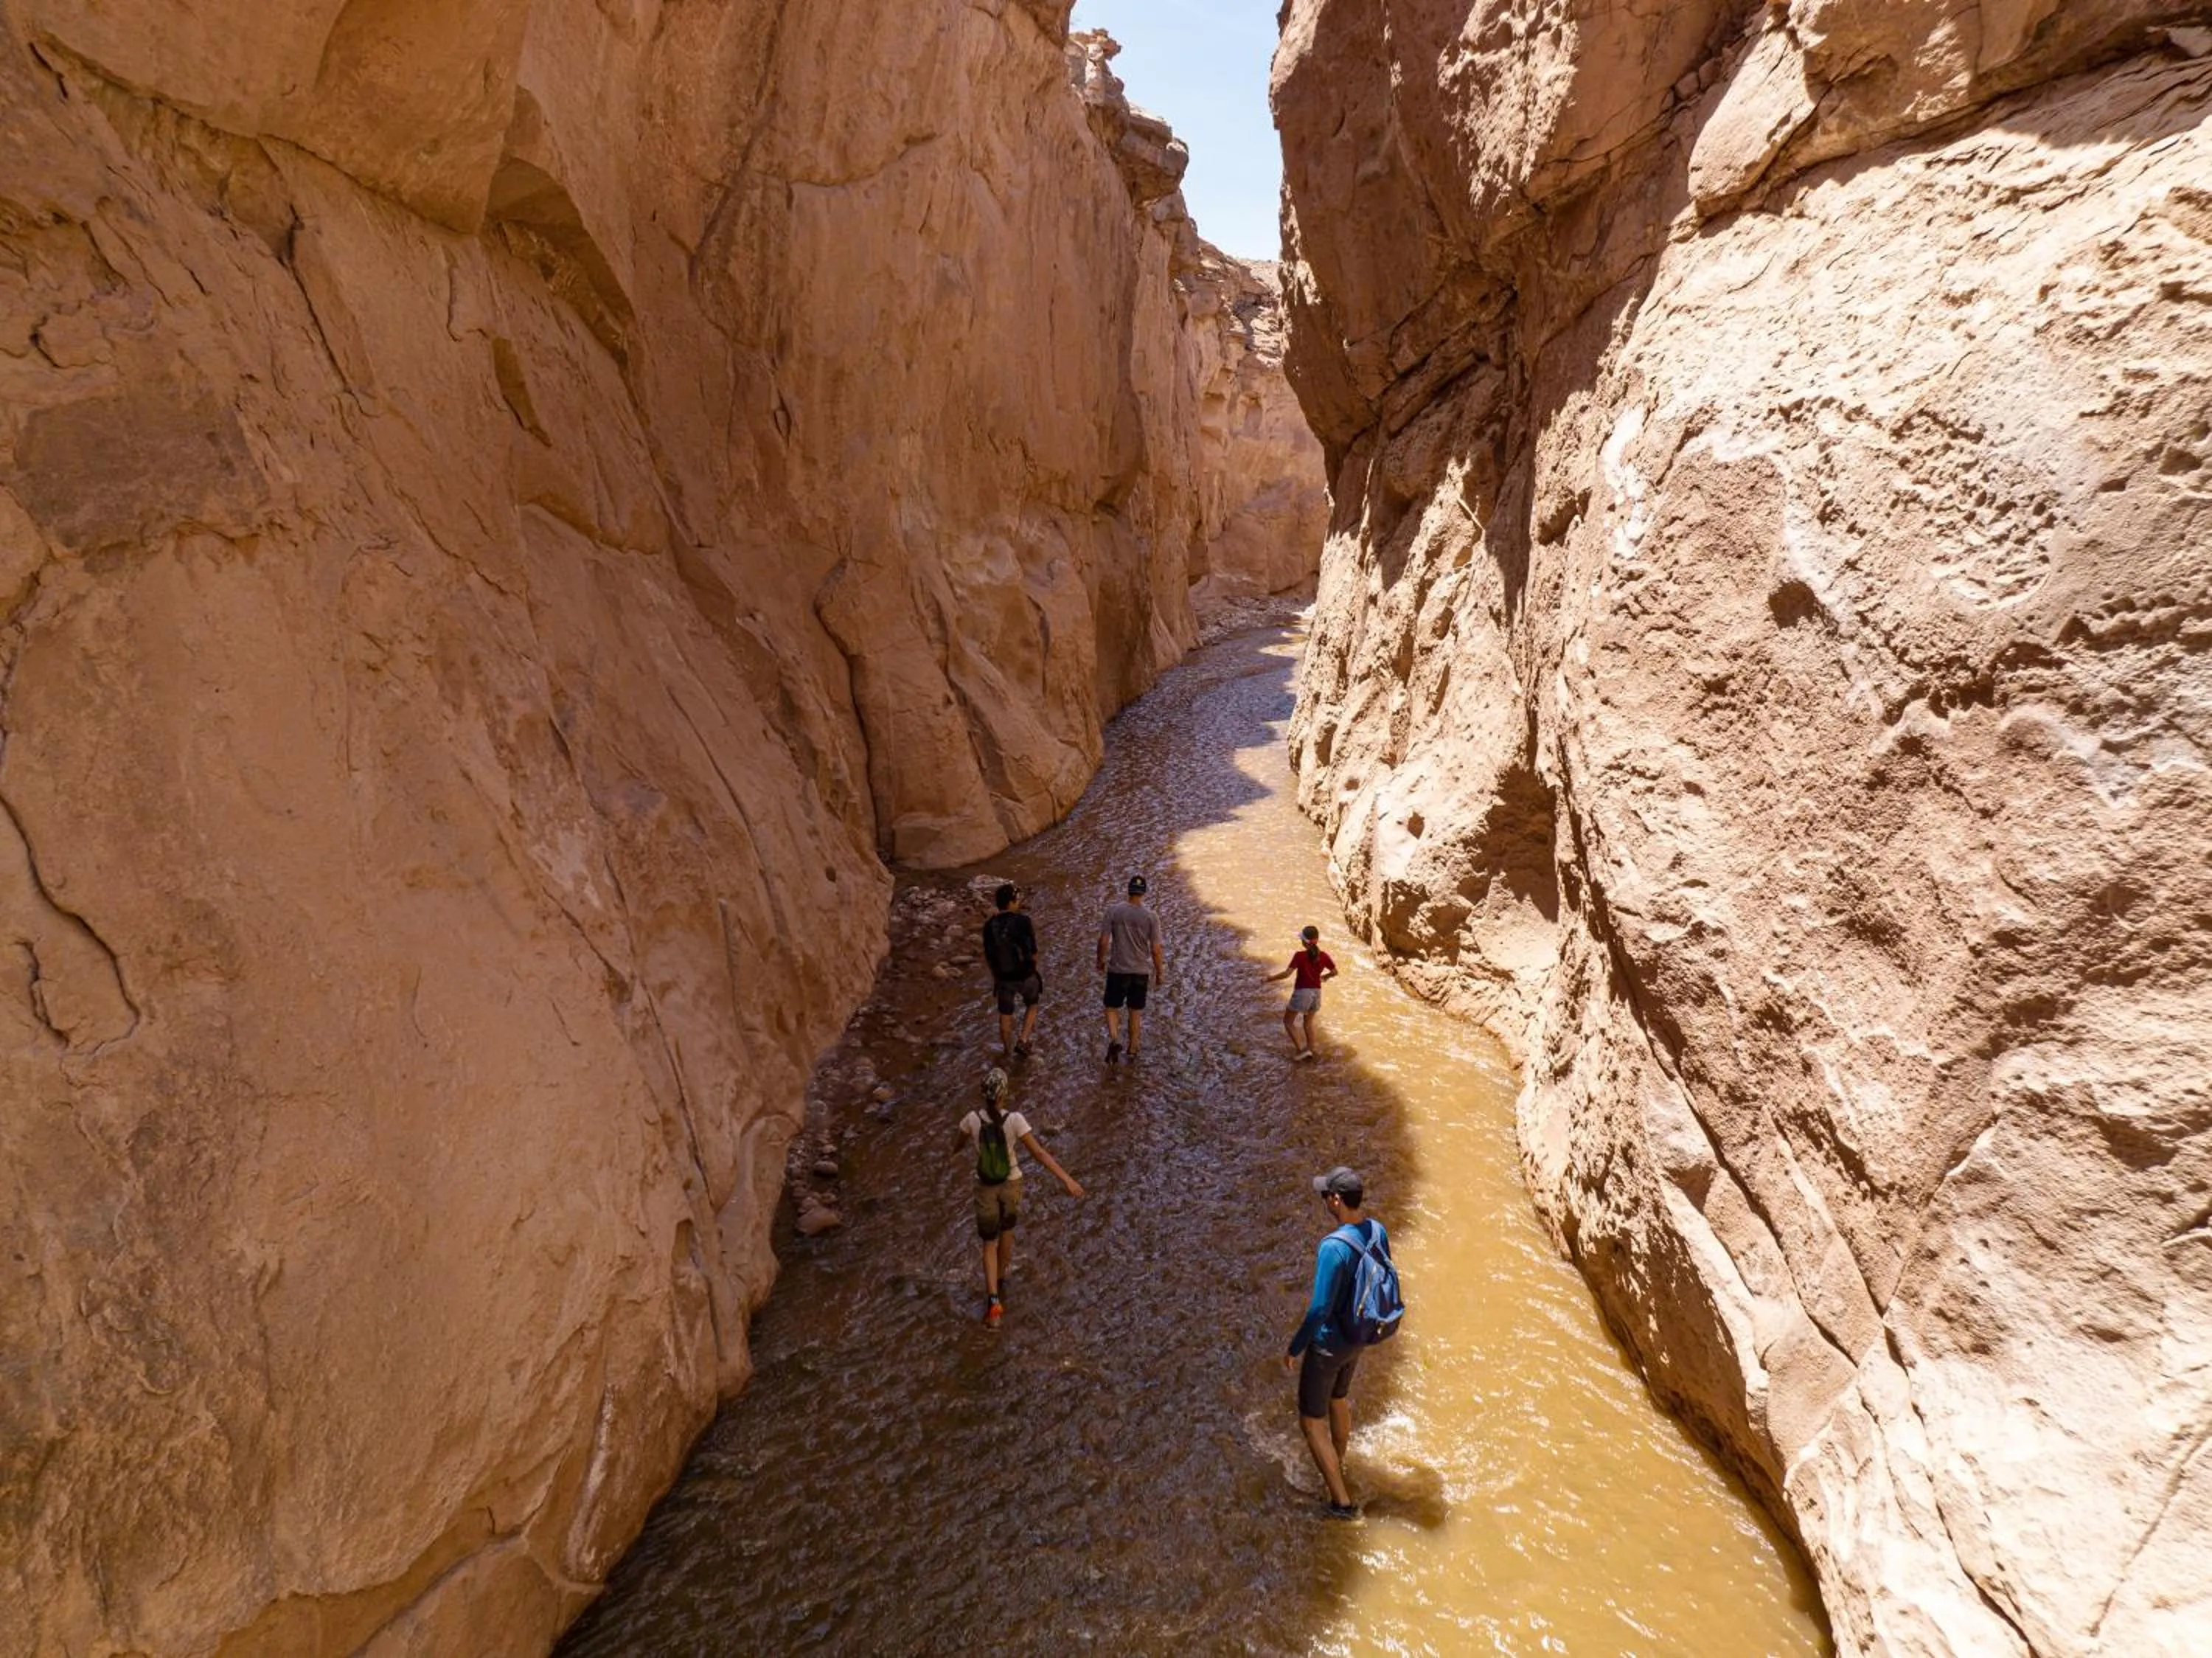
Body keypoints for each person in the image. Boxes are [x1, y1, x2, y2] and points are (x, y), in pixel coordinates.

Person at [1284, 1166, 1390, 1519]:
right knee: (1338, 1398)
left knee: (1311, 1422)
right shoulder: (1377, 1230)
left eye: (1325, 1196)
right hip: (1359, 1337)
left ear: (1336, 1200)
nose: (1324, 1201)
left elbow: (1319, 1309)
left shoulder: (1332, 1247)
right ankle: (1338, 1462)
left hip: (1329, 1344)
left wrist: (1295, 1348)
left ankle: (1340, 1502)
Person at [957, 1067, 1082, 1327]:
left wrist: (957, 1149)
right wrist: (1066, 1179)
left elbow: (957, 1144)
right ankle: (1002, 1279)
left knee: (988, 1244)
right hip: (1011, 1183)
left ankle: (993, 1301)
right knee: (1007, 1233)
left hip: (985, 1186)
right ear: (1003, 1095)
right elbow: (1040, 1154)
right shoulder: (1015, 1120)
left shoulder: (971, 1119)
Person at [1097, 874, 1164, 1064]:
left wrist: (1100, 960)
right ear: (1144, 893)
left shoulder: (1113, 911)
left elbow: (1103, 941)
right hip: (1140, 971)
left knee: (1111, 1006)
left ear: (1128, 891)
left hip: (1118, 969)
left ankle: (1115, 1038)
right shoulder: (1151, 917)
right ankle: (1133, 1049)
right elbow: (1156, 949)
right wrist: (1160, 973)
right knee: (1135, 1011)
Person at [981, 883, 1043, 1060]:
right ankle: (1023, 1040)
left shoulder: (989, 926)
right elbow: (1033, 950)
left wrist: (996, 977)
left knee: (1005, 1014)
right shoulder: (1023, 921)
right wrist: (1034, 970)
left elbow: (989, 955)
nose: (1019, 902)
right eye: (1017, 899)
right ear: (1011, 902)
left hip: (1003, 977)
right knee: (1033, 1004)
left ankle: (1006, 1052)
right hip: (1025, 974)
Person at [1265, 925, 1338, 1061]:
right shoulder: (1324, 956)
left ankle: (1301, 1050)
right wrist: (1325, 977)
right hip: (1317, 994)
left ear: (1304, 942)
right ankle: (1311, 1050)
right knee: (1308, 1024)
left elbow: (1287, 974)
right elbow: (1335, 972)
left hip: (1302, 993)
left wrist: (1270, 979)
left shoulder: (1299, 956)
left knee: (1288, 1022)